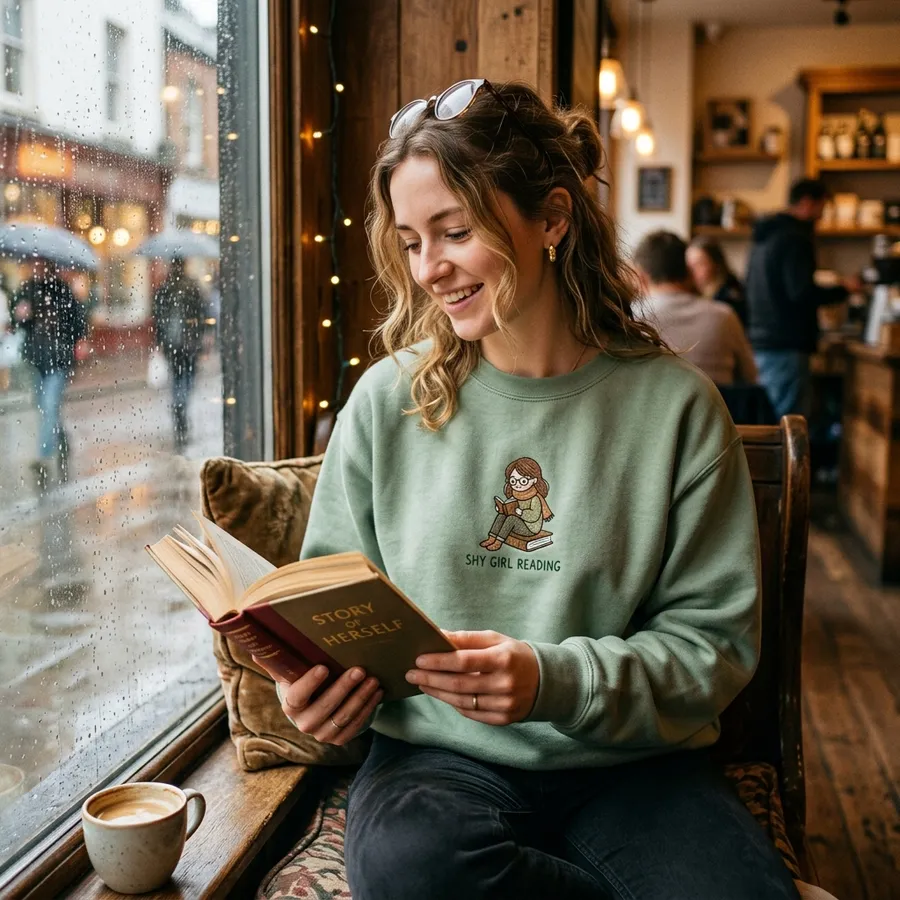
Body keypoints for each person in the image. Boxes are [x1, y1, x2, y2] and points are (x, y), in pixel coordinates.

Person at [261, 80, 798, 900]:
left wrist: (554, 681)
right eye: (410, 242)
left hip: (632, 761)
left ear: (552, 218)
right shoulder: (384, 401)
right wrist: (312, 688)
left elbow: (711, 651)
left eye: (455, 231)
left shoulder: (677, 408)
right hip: (436, 756)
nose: (429, 268)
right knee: (413, 872)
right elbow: (331, 605)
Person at [745, 178, 857, 420]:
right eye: (822, 208)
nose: (822, 216)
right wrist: (843, 289)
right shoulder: (794, 238)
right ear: (807, 203)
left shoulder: (765, 235)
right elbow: (801, 292)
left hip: (762, 341)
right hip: (786, 343)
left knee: (769, 422)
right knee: (788, 426)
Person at [634, 230, 757, 386]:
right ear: (688, 271)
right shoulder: (724, 316)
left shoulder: (631, 318)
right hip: (718, 408)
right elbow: (751, 376)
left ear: (640, 277)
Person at [12, 258, 87, 490]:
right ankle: (62, 440)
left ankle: (43, 457)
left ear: (49, 266)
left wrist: (79, 342)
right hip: (36, 359)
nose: (37, 269)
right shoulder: (26, 289)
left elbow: (77, 321)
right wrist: (20, 315)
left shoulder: (62, 289)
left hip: (59, 359)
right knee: (46, 408)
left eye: (41, 265)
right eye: (34, 265)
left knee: (50, 405)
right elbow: (18, 324)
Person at [151, 257, 207, 453]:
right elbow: (201, 315)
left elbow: (157, 317)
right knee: (188, 378)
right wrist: (199, 338)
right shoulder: (192, 287)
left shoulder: (164, 288)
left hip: (171, 345)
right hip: (189, 344)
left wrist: (160, 343)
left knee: (177, 378)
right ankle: (181, 405)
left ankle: (178, 404)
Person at [686, 234, 748, 325]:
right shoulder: (692, 294)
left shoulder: (730, 299)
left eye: (699, 264)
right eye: (689, 265)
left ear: (716, 264)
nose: (692, 271)